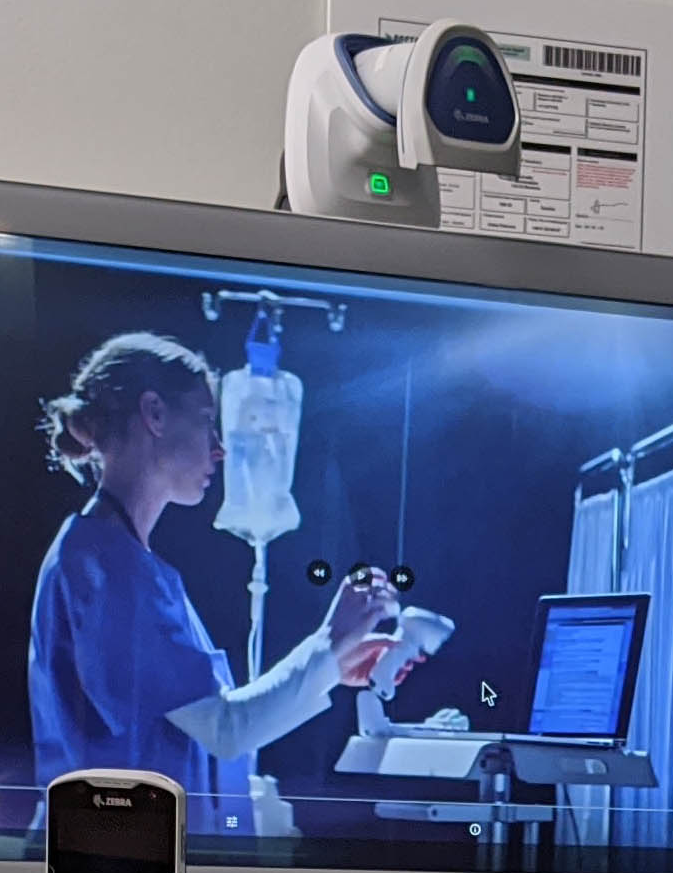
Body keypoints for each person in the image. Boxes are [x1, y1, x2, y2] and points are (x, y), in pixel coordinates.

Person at [29, 332, 397, 806]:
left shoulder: (110, 559)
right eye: (206, 421)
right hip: (121, 858)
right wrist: (328, 640)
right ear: (154, 414)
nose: (220, 448)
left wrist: (332, 663)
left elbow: (208, 724)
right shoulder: (107, 569)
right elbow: (226, 729)